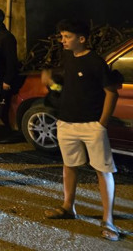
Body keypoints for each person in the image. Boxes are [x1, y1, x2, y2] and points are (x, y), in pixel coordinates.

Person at [43, 19, 120, 242]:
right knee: (70, 165)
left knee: (103, 170)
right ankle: (69, 207)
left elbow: (111, 92)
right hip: (66, 123)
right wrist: (52, 85)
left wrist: (101, 124)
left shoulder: (95, 62)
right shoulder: (68, 58)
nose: (62, 40)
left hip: (91, 126)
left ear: (82, 39)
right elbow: (69, 88)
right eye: (62, 36)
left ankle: (108, 220)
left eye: (67, 37)